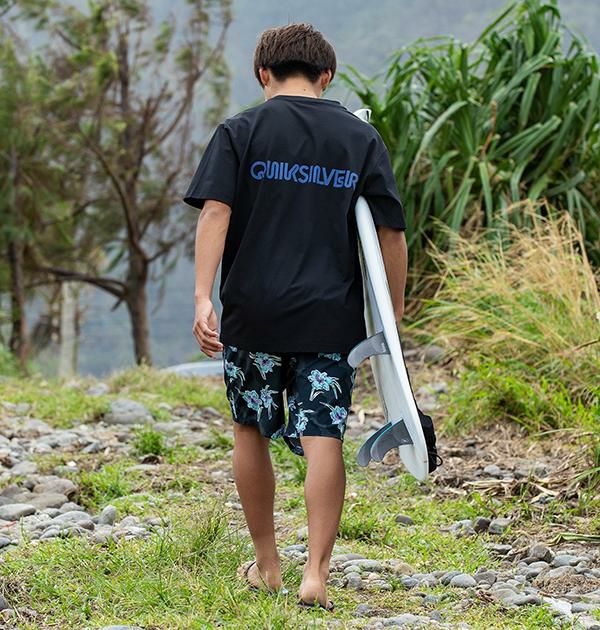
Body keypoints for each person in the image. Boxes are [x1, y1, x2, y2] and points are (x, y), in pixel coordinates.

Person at [183, 22, 407, 611]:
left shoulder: (240, 131)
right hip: (330, 318)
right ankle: (316, 574)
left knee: (250, 429)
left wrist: (204, 297)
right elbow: (390, 232)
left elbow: (214, 212)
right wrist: (393, 314)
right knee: (323, 435)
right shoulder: (359, 138)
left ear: (264, 73)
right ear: (326, 75)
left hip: (254, 313)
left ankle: (267, 564)